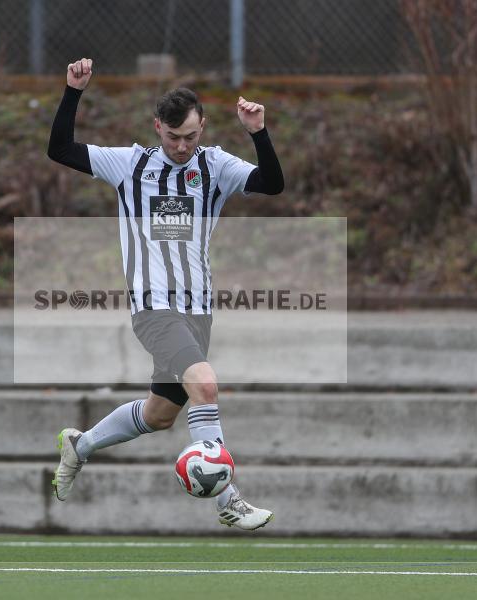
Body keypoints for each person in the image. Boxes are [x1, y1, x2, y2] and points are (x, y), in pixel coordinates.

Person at [47, 57, 284, 530]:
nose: (181, 146)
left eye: (190, 137)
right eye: (172, 136)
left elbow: (272, 185)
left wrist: (258, 132)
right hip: (153, 306)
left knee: (159, 415)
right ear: (157, 127)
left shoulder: (214, 165)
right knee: (206, 386)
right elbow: (60, 150)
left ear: (203, 127)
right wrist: (73, 91)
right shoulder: (130, 164)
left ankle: (82, 444)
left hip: (198, 310)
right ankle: (228, 501)